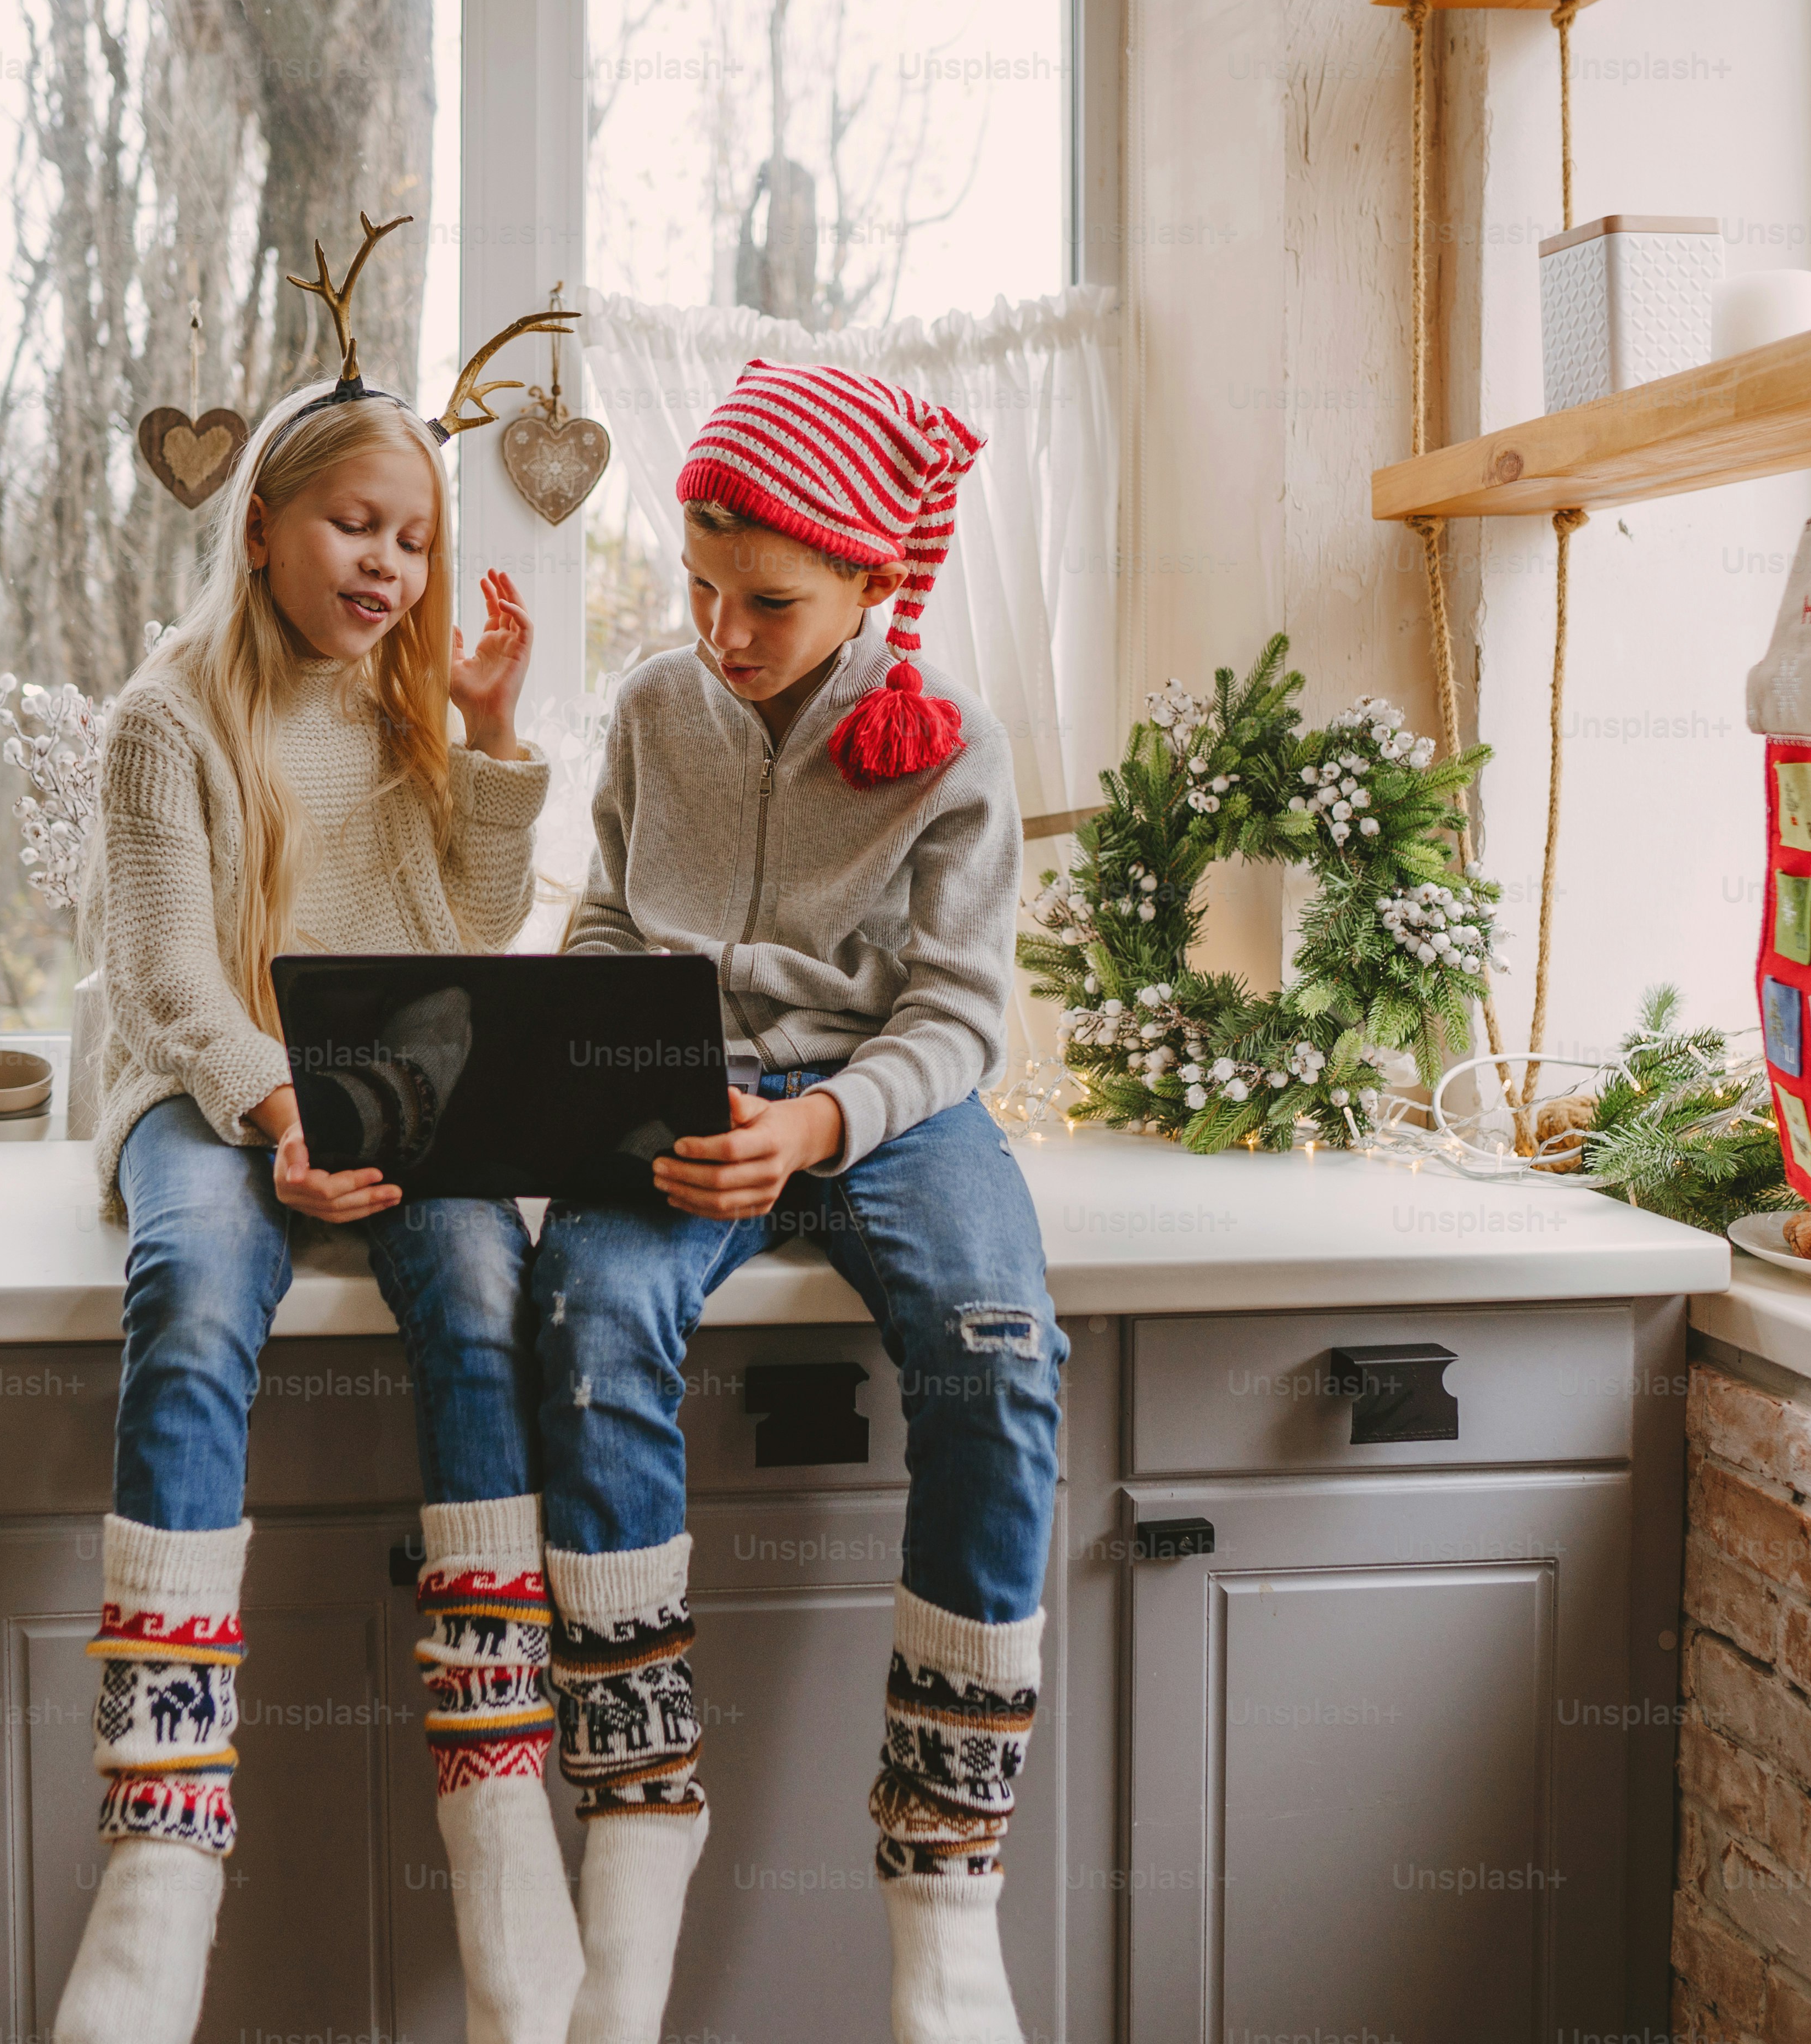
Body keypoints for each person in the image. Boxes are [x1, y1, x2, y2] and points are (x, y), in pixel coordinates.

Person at [530, 360, 1067, 2044]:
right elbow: (606, 930)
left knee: (999, 1353)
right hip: (679, 1094)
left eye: (765, 601)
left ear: (867, 581)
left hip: (891, 1109)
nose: (723, 630)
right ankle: (636, 1837)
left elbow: (961, 1018)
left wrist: (822, 1123)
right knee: (588, 1318)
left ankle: (946, 1876)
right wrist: (625, 1059)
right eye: (698, 589)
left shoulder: (950, 746)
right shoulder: (648, 711)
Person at [54, 369, 575, 2043]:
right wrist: (280, 1113)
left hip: (381, 1076)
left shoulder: (400, 704)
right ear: (263, 524)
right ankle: (163, 1836)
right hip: (203, 1077)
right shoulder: (166, 715)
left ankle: (498, 1794)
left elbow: (474, 930)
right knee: (198, 1297)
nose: (389, 570)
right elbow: (160, 981)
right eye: (358, 527)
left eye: (415, 543)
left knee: (483, 1285)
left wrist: (493, 740)